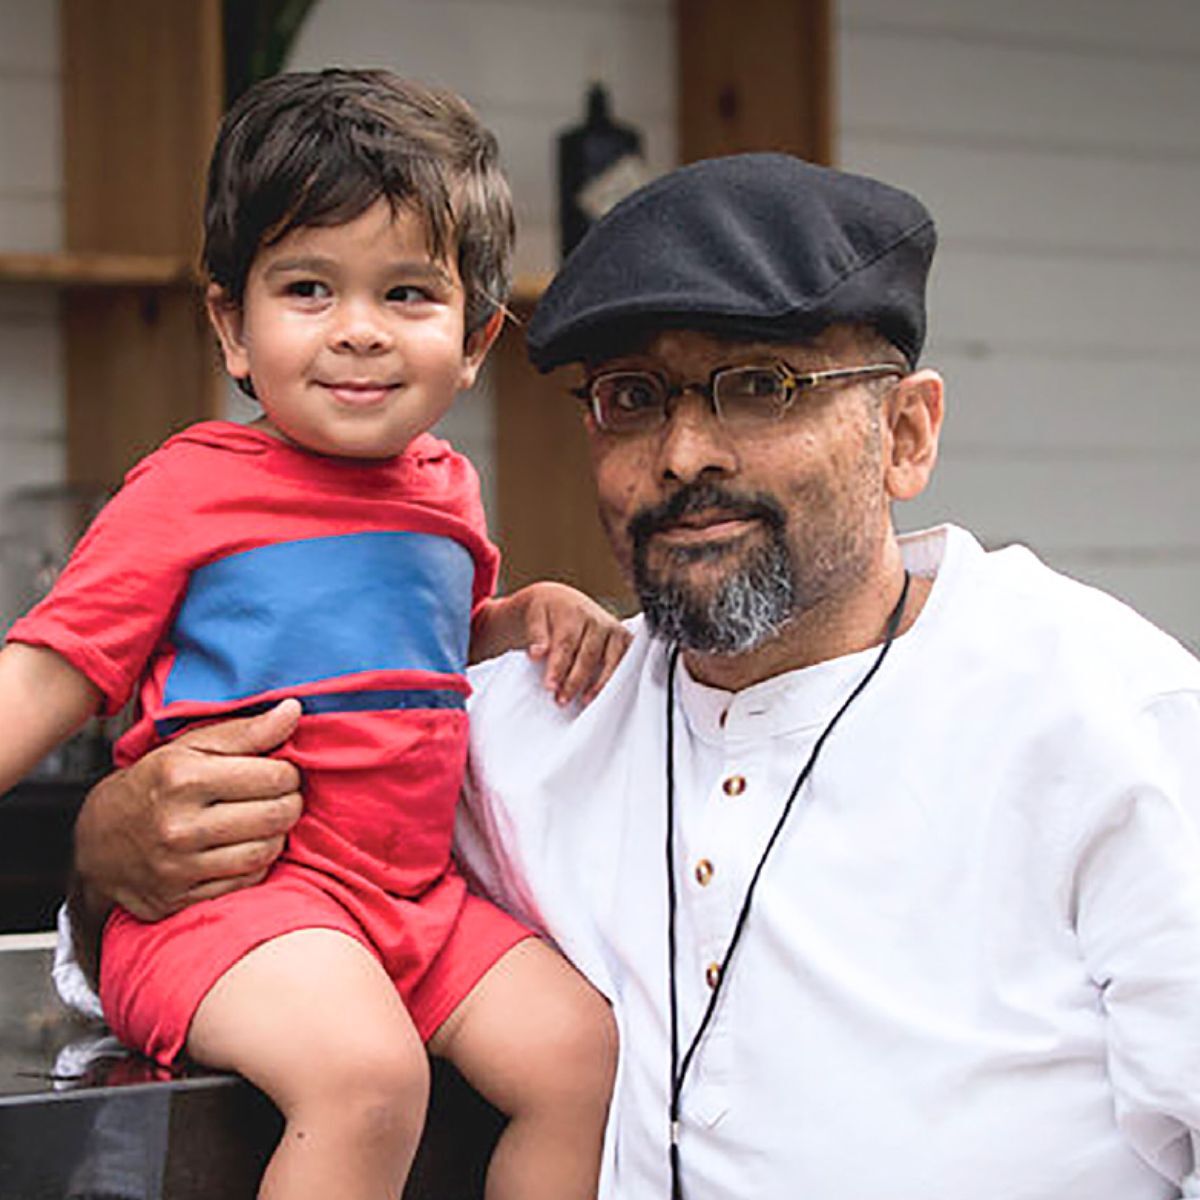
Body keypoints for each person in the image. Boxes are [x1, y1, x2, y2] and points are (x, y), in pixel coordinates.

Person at [59, 153, 1200, 1199]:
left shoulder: (1109, 721)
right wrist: (108, 858)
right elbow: (252, 927)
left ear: (904, 432)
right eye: (634, 399)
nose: (686, 452)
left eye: (762, 387)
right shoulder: (534, 723)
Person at [4, 69, 622, 1200]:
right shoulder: (185, 491)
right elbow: (40, 677)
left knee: (579, 1053)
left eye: (406, 295)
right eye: (307, 289)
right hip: (223, 905)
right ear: (231, 325)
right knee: (368, 1077)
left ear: (477, 338)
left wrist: (520, 620)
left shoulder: (447, 491)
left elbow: (409, 654)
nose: (358, 333)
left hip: (411, 903)